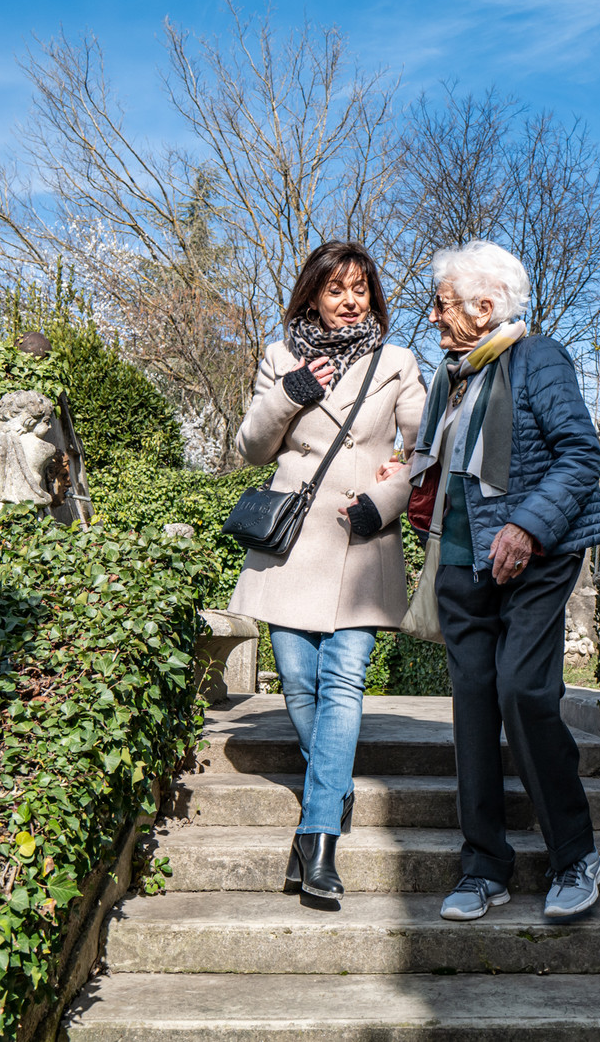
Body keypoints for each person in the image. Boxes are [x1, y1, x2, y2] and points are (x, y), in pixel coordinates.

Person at [404, 240, 600, 921]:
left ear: (484, 306)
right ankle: (483, 866)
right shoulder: (451, 377)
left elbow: (582, 455)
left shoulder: (537, 359)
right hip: (463, 562)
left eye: (442, 306)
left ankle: (576, 854)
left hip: (537, 555)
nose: (434, 318)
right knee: (472, 708)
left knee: (524, 691)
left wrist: (526, 528)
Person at [228, 240, 426, 906]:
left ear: (373, 297)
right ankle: (333, 791)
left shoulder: (397, 361)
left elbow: (422, 449)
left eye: (360, 289)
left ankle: (317, 840)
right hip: (291, 543)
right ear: (313, 294)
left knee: (343, 679)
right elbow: (250, 448)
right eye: (335, 289)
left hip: (362, 536)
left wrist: (386, 499)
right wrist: (289, 395)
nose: (348, 301)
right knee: (299, 680)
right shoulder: (281, 358)